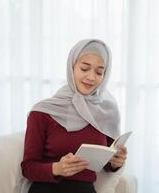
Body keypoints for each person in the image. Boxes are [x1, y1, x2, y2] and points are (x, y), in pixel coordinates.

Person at [21, 39, 127, 193]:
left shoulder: (106, 113)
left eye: (99, 72)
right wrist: (56, 168)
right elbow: (28, 168)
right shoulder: (42, 112)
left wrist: (116, 162)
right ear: (72, 68)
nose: (91, 77)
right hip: (47, 189)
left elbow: (107, 164)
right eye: (84, 68)